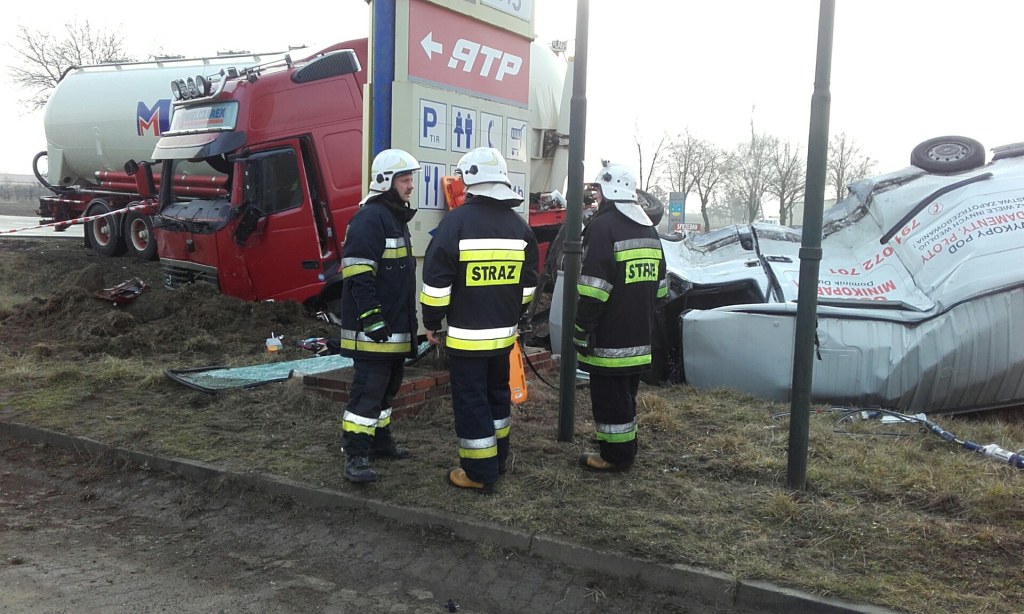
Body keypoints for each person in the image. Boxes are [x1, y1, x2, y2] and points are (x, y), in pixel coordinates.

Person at [420, 147, 539, 492]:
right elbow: (528, 285)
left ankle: (478, 473)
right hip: (503, 337)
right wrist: (513, 314)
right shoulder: (520, 228)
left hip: (466, 338)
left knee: (471, 401)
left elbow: (436, 284)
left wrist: (432, 322)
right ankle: (498, 460)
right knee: (497, 397)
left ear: (469, 180)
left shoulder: (455, 224)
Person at [574, 161, 667, 472]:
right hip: (640, 338)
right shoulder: (648, 229)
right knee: (625, 398)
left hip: (609, 340)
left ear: (609, 192)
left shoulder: (602, 228)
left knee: (609, 400)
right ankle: (625, 449)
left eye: (599, 192)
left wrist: (581, 329)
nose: (596, 198)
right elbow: (661, 290)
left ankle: (615, 457)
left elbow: (593, 290)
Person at [338, 149, 421, 483]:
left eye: (411, 179)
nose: (410, 186)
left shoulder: (393, 217)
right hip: (373, 331)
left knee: (387, 389)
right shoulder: (370, 218)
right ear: (386, 181)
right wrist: (372, 318)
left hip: (393, 329)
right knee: (368, 392)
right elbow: (358, 273)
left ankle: (380, 443)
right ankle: (356, 456)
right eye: (405, 180)